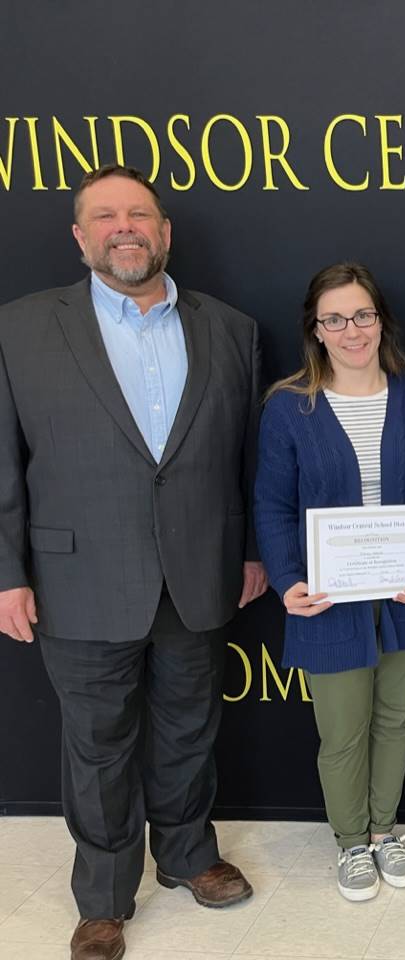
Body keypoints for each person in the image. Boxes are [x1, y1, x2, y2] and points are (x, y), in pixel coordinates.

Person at [0, 164, 265, 960]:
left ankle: (187, 856)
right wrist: (6, 571)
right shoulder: (20, 328)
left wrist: (251, 551)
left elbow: (248, 459)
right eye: (106, 216)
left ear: (165, 233)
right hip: (76, 578)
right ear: (80, 237)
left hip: (197, 573)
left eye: (140, 215)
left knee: (189, 728)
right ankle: (105, 896)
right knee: (97, 743)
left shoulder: (230, 328)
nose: (126, 228)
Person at [254, 263, 405, 902]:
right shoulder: (290, 407)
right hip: (326, 599)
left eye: (362, 315)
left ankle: (385, 831)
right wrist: (287, 579)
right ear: (316, 331)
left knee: (395, 720)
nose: (352, 331)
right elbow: (272, 505)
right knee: (342, 731)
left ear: (380, 321)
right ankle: (351, 844)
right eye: (335, 319)